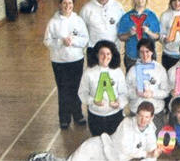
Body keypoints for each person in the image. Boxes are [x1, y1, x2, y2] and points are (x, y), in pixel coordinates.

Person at [28, 102, 162, 161]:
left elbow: (151, 151)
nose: (143, 120)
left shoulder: (151, 129)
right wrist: (147, 153)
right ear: (136, 114)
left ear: (151, 118)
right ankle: (46, 158)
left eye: (146, 117)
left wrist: (153, 153)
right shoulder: (126, 124)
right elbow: (125, 148)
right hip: (96, 148)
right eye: (140, 116)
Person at [43, 0, 88, 130]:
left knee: (76, 89)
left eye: (70, 3)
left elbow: (85, 39)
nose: (68, 6)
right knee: (63, 90)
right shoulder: (53, 22)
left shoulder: (78, 20)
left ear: (73, 5)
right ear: (60, 5)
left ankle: (78, 114)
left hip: (76, 60)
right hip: (59, 62)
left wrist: (72, 41)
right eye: (65, 3)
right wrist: (60, 41)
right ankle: (64, 118)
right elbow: (47, 41)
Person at [78, 40, 128, 136]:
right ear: (97, 55)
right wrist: (93, 101)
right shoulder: (89, 72)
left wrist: (119, 103)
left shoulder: (117, 71)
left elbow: (124, 93)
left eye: (108, 54)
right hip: (95, 117)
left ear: (112, 55)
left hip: (115, 116)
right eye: (102, 54)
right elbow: (82, 93)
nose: (105, 57)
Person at [126, 38, 169, 134]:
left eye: (147, 51)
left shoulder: (160, 69)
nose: (145, 55)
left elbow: (166, 92)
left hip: (156, 111)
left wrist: (153, 94)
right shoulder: (132, 70)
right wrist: (135, 93)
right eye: (141, 52)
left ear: (152, 52)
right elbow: (126, 91)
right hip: (136, 110)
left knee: (157, 141)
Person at [79, 0, 125, 67]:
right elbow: (80, 30)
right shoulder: (86, 9)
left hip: (113, 50)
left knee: (112, 79)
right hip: (94, 51)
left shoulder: (118, 7)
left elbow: (124, 27)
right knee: (95, 79)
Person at [118, 0, 160, 72]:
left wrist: (149, 32)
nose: (140, 0)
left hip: (149, 55)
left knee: (151, 80)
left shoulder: (152, 16)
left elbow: (157, 36)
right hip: (132, 55)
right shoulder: (126, 17)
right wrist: (129, 34)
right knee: (132, 80)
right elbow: (121, 37)